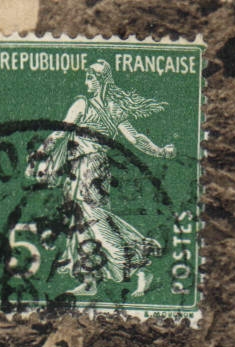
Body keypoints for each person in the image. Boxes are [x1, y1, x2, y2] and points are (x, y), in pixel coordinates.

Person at [28, 59, 175, 297]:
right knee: (87, 220)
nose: (86, 82)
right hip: (94, 167)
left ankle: (137, 266)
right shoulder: (115, 108)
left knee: (93, 220)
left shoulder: (82, 104)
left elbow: (60, 132)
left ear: (101, 81)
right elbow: (136, 138)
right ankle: (91, 279)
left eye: (90, 78)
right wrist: (161, 151)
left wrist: (40, 154)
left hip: (86, 166)